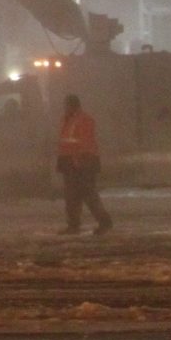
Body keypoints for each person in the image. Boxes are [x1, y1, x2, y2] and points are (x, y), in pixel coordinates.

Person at [57, 93, 111, 236]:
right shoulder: (68, 120)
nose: (64, 108)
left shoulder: (83, 120)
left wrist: (77, 160)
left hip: (82, 162)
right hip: (71, 162)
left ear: (72, 106)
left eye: (66, 105)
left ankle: (104, 222)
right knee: (72, 196)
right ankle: (74, 225)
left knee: (88, 194)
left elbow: (84, 143)